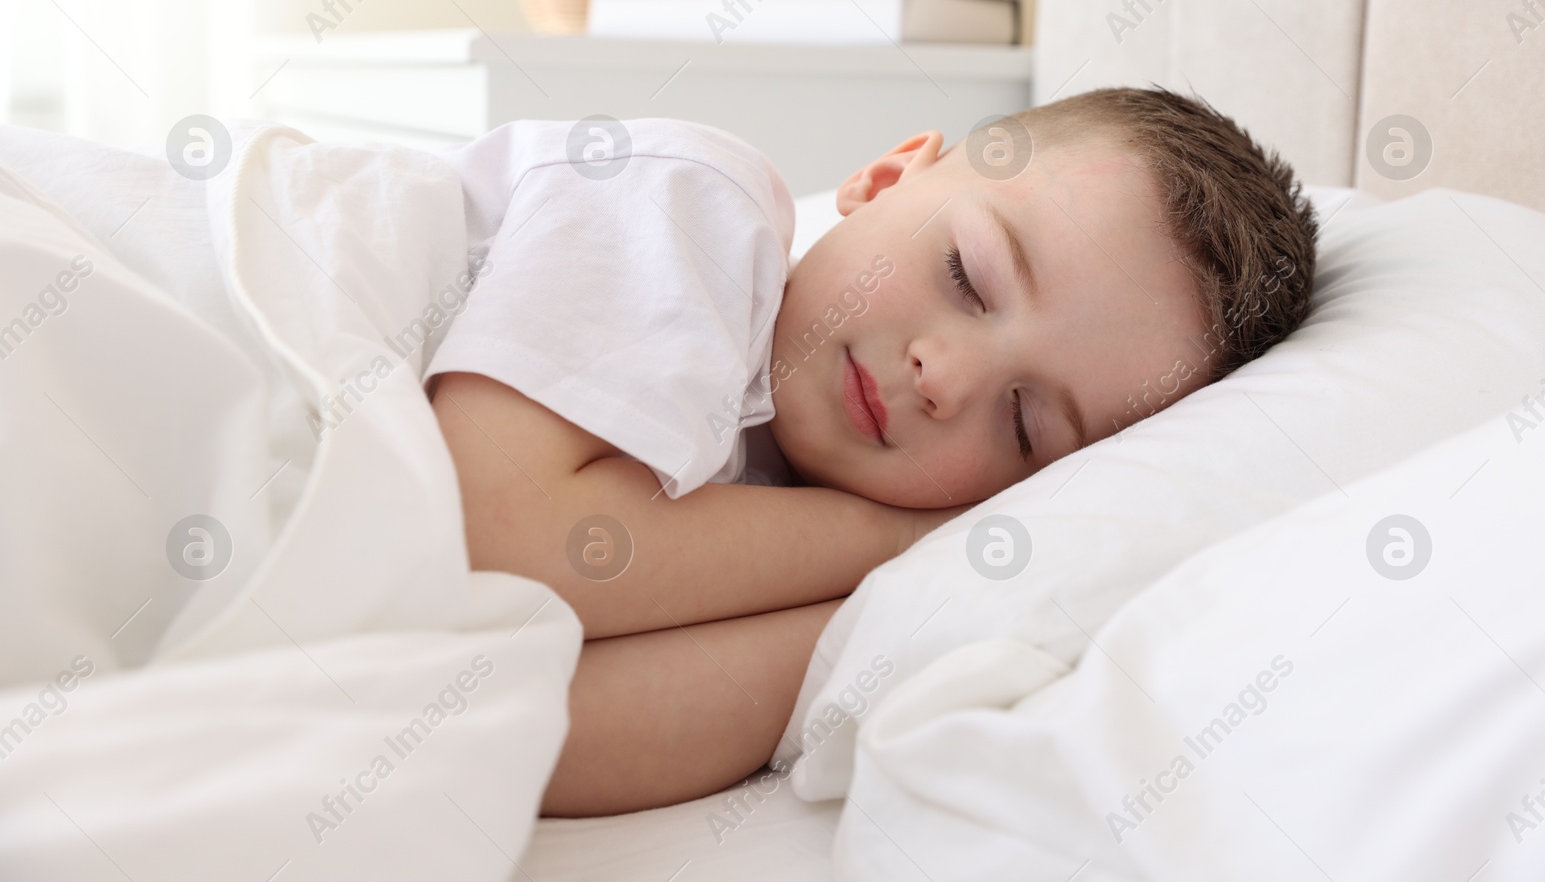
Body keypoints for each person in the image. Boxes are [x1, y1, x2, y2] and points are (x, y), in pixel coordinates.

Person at [426, 87, 1318, 816]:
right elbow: (492, 539)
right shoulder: (695, 203)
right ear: (887, 175)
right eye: (968, 274)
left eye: (1024, 426)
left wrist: (890, 599)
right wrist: (887, 536)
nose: (946, 377)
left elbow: (502, 734)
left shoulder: (791, 548)